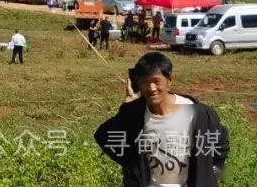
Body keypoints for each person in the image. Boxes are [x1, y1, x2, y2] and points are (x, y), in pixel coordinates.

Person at [95, 52, 229, 186]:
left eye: (156, 81)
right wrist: (133, 167)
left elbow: (220, 141)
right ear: (138, 85)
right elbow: (104, 136)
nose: (151, 88)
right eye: (145, 82)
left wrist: (211, 173)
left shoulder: (197, 114)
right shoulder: (135, 113)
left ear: (169, 81)